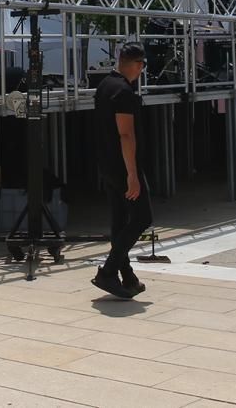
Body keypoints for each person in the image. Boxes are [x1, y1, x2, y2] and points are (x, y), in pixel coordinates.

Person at [92, 44, 150, 299]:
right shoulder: (125, 92)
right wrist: (133, 174)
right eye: (142, 65)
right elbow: (126, 134)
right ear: (137, 64)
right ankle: (108, 271)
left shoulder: (105, 85)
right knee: (141, 218)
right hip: (122, 166)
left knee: (119, 221)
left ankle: (127, 277)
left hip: (105, 162)